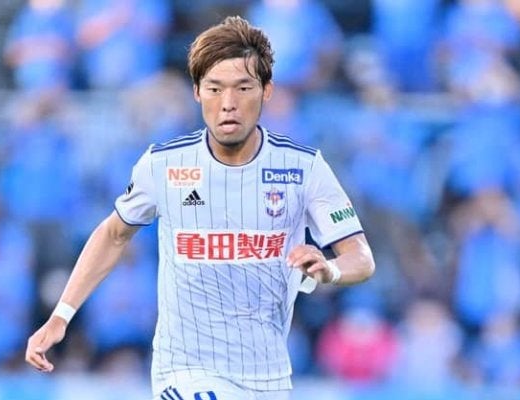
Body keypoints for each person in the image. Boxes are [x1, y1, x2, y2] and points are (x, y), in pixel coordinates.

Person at [25, 16, 375, 399]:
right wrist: (61, 316)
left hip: (268, 378)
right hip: (185, 372)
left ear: (267, 91)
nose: (228, 104)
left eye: (243, 88)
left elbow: (361, 258)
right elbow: (113, 234)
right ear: (197, 92)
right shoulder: (164, 165)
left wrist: (330, 270)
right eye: (214, 88)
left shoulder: (303, 168)